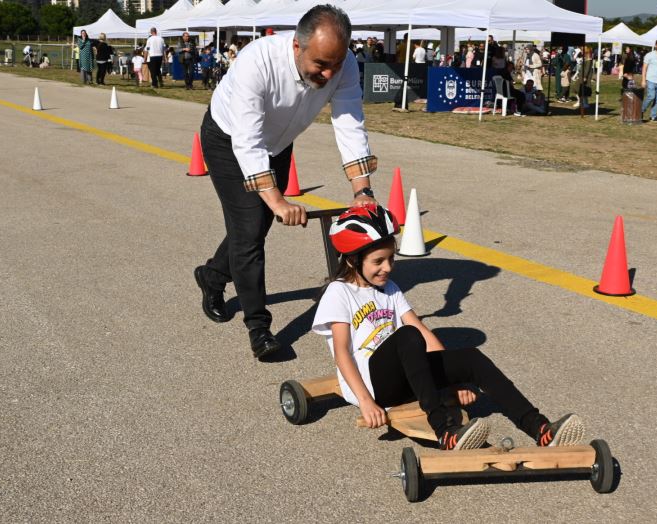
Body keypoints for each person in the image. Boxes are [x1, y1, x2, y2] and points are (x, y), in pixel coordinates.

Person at [313, 204, 586, 451]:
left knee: (471, 357)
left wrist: (454, 381)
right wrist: (365, 402)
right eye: (378, 262)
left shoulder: (389, 288)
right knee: (406, 337)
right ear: (352, 260)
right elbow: (342, 353)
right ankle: (445, 431)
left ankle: (539, 427)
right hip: (373, 384)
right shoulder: (340, 292)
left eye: (391, 259)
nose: (388, 268)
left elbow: (421, 330)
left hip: (404, 376)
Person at [194, 4, 379, 360]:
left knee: (254, 225)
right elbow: (247, 139)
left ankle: (213, 274)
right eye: (320, 65)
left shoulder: (346, 65)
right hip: (227, 139)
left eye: (335, 65)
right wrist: (277, 199)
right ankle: (259, 327)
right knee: (250, 228)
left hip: (277, 143)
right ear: (297, 46)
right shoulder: (256, 61)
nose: (328, 74)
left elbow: (349, 122)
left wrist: (363, 190)